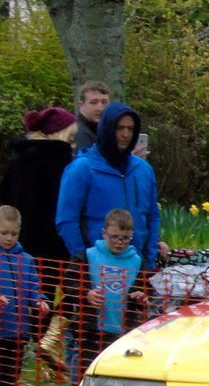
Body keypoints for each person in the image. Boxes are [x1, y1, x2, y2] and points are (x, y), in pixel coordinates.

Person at [56, 101, 161, 269]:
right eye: (119, 128)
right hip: (96, 267)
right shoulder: (83, 168)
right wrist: (80, 257)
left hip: (136, 265)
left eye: (130, 129)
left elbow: (152, 217)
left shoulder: (143, 170)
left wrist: (149, 258)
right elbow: (66, 219)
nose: (125, 134)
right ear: (107, 128)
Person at [0, 108, 77, 266]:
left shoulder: (18, 160)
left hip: (17, 243)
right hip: (52, 247)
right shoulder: (60, 163)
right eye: (71, 137)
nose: (73, 143)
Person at [0, 205, 49, 386]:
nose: (9, 238)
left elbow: (34, 290)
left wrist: (40, 302)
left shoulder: (27, 261)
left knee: (12, 378)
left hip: (18, 332)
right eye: (4, 233)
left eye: (13, 233)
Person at [84, 208, 147, 359]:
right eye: (114, 237)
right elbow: (70, 282)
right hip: (90, 328)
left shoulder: (137, 262)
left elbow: (143, 288)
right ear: (104, 233)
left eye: (125, 238)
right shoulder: (88, 256)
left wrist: (140, 296)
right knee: (84, 369)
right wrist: (87, 293)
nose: (119, 242)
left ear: (132, 235)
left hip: (122, 331)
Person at [74, 82, 111, 153]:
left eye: (104, 102)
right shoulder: (80, 134)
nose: (100, 108)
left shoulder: (102, 130)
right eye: (93, 102)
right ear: (81, 105)